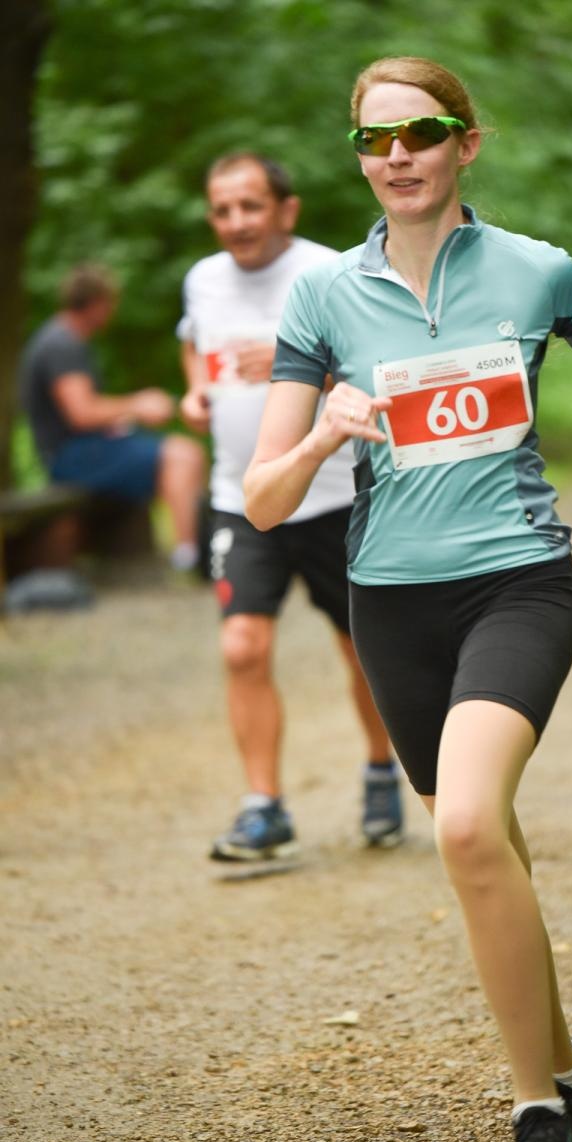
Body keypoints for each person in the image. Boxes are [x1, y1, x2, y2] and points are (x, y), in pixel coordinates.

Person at [242, 57, 572, 1142]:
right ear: (359, 156)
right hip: (389, 601)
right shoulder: (323, 297)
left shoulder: (537, 274)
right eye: (374, 141)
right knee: (491, 845)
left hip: (518, 584)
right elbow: (262, 500)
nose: (397, 156)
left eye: (421, 134)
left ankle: (537, 1110)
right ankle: (569, 1061)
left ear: (465, 143)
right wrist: (321, 437)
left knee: (469, 829)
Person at [178, 152, 403, 861]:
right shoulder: (202, 280)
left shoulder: (328, 274)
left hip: (334, 499)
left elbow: (378, 370)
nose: (235, 222)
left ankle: (379, 770)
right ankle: (263, 807)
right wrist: (194, 391)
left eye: (250, 206)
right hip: (238, 500)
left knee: (359, 650)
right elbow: (193, 344)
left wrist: (290, 362)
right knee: (241, 646)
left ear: (286, 209)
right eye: (222, 210)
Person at [19, 264, 206, 571]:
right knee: (183, 455)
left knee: (181, 453)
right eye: (110, 303)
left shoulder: (65, 338)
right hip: (70, 458)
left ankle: (193, 548)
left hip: (86, 450)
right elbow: (82, 413)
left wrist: (120, 419)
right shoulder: (61, 344)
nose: (112, 311)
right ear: (96, 303)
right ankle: (189, 557)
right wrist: (138, 404)